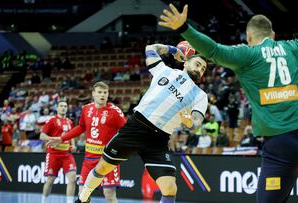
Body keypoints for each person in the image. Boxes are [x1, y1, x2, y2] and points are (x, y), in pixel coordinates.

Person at [158, 4, 298, 203]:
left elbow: (213, 50)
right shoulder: (293, 47)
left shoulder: (248, 54)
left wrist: (185, 28)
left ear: (249, 37)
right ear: (273, 35)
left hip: (282, 148)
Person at [68, 43, 207, 203]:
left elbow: (197, 121)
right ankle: (83, 198)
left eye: (203, 69)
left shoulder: (200, 95)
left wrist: (190, 121)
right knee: (102, 168)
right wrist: (174, 50)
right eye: (197, 64)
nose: (200, 69)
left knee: (170, 188)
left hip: (158, 139)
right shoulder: (165, 70)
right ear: (186, 62)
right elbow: (150, 48)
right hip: (136, 127)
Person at [47, 81, 126, 203]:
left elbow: (126, 132)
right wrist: (61, 139)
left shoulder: (115, 111)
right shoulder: (86, 109)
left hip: (107, 160)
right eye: (99, 92)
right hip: (89, 159)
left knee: (109, 194)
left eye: (105, 92)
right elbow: (80, 127)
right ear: (93, 93)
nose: (102, 95)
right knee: (82, 194)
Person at [39, 100, 77, 203]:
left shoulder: (70, 122)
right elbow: (42, 135)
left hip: (67, 154)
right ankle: (44, 200)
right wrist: (53, 139)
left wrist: (73, 145)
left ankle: (69, 202)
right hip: (53, 154)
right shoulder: (52, 120)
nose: (63, 108)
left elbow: (71, 135)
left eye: (65, 106)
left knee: (73, 178)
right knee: (50, 181)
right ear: (57, 108)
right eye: (61, 106)